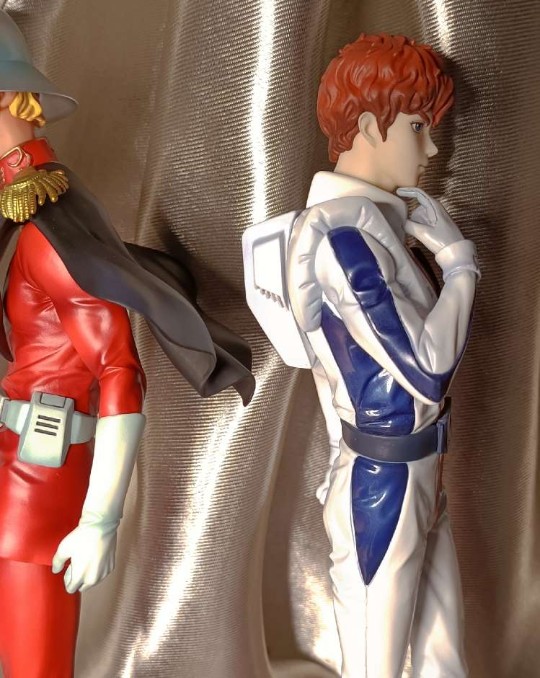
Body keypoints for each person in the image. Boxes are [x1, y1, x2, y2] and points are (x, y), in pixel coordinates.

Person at [0, 9, 254, 678]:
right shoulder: (25, 211)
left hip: (39, 475)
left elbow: (118, 370)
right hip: (16, 461)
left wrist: (100, 519)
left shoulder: (49, 229)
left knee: (34, 662)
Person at [244, 33, 479, 677]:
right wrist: (460, 265)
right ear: (372, 126)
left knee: (441, 656)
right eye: (418, 127)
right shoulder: (343, 237)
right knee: (376, 661)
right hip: (384, 482)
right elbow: (426, 370)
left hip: (413, 471)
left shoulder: (374, 228)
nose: (431, 149)